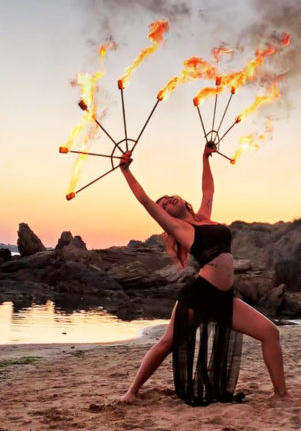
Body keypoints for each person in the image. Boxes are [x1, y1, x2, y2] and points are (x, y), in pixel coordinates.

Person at [119, 142, 288, 406]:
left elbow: (208, 189)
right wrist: (126, 170)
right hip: (199, 296)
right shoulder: (179, 229)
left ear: (181, 200)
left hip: (224, 298)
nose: (167, 201)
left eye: (170, 197)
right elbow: (144, 200)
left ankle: (282, 395)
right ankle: (132, 391)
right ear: (165, 215)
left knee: (270, 332)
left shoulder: (204, 217)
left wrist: (205, 158)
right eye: (163, 204)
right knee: (167, 343)